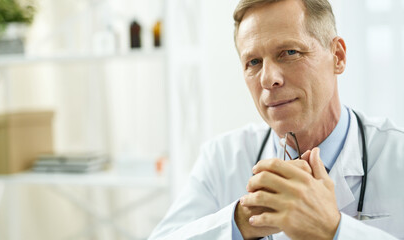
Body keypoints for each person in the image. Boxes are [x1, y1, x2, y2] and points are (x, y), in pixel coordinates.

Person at [149, 0, 404, 239]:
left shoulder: (397, 157)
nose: (268, 79)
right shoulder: (222, 160)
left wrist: (334, 231)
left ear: (337, 56)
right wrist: (240, 220)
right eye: (253, 62)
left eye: (289, 52)